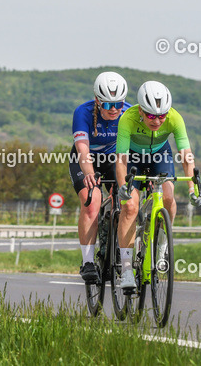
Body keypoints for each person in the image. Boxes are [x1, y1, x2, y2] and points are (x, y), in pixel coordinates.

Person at [114, 80, 201, 290]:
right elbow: (121, 160)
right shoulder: (128, 118)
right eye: (151, 116)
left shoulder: (175, 118)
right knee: (130, 207)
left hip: (160, 155)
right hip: (134, 157)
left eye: (161, 115)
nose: (157, 121)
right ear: (141, 111)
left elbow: (185, 155)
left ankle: (162, 244)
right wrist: (123, 187)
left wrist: (192, 188)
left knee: (169, 196)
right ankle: (126, 270)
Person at [70, 71, 130, 283]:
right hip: (87, 159)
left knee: (126, 200)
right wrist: (88, 174)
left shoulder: (129, 113)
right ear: (97, 100)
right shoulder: (83, 112)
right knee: (92, 202)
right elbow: (83, 151)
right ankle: (87, 262)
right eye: (107, 105)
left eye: (118, 104)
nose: (113, 109)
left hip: (116, 159)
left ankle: (118, 245)